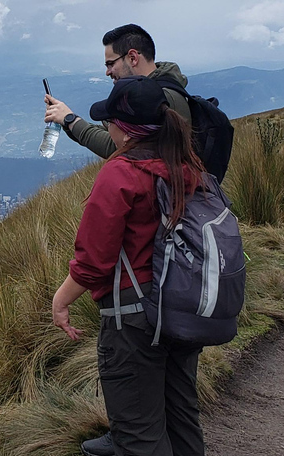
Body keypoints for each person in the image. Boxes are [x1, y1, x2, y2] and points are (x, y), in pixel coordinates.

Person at [52, 76, 206, 456]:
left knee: (138, 434)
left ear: (124, 128)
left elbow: (94, 261)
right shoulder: (185, 165)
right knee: (181, 417)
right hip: (183, 309)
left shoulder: (120, 174)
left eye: (110, 121)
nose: (108, 128)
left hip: (134, 320)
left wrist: (61, 301)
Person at [45, 24, 191, 159]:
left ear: (133, 58)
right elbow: (117, 135)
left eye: (111, 64)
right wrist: (67, 120)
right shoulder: (158, 92)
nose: (107, 72)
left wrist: (70, 120)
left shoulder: (162, 99)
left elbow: (118, 147)